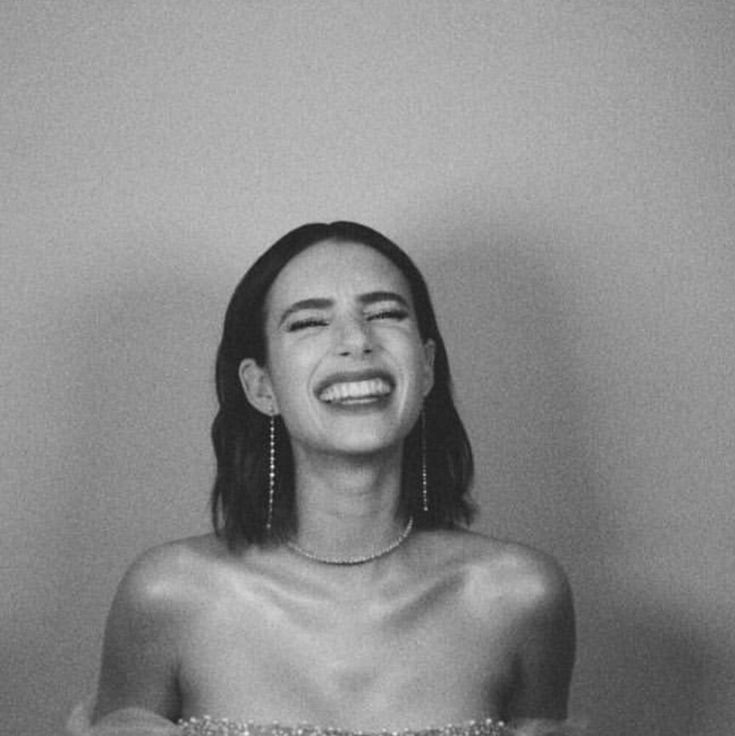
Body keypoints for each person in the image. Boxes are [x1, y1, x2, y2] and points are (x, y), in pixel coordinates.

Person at [68, 222, 577, 736]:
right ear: (261, 386)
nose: (357, 340)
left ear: (424, 367)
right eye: (309, 322)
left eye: (384, 313)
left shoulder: (520, 596)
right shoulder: (168, 593)